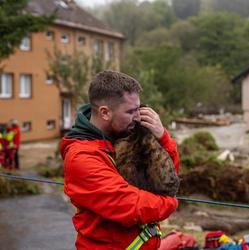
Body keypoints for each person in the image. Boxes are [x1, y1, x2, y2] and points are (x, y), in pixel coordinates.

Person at [60, 70, 180, 250]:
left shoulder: (122, 134)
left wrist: (162, 138)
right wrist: (171, 202)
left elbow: (166, 177)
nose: (138, 117)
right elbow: (130, 205)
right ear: (105, 113)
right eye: (131, 111)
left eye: (138, 109)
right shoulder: (82, 157)